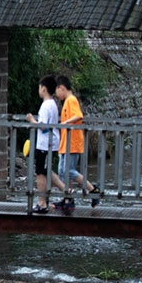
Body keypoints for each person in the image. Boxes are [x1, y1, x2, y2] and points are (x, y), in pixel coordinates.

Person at [54, 76, 97, 212]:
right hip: (66, 143)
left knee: (68, 171)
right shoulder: (67, 101)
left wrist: (65, 123)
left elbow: (78, 115)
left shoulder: (71, 100)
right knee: (62, 172)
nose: (56, 94)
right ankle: (68, 198)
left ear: (61, 88)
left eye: (57, 91)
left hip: (72, 143)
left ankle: (93, 190)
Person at [24, 76, 66, 212]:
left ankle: (42, 203)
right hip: (51, 143)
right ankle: (66, 191)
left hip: (45, 144)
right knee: (46, 171)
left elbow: (43, 126)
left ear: (43, 88)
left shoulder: (45, 106)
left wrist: (31, 120)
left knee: (40, 173)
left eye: (39, 87)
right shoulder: (53, 103)